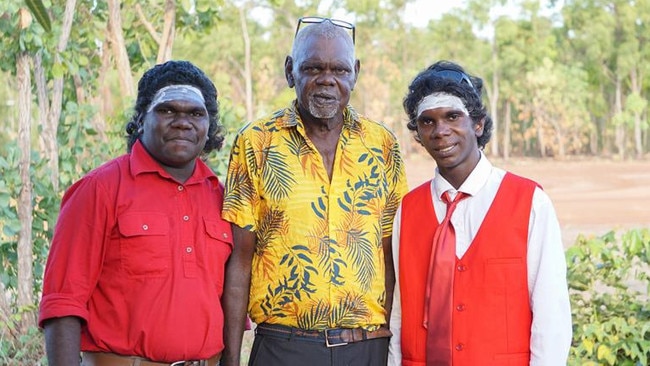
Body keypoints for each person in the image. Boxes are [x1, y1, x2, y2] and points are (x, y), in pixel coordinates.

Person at [220, 16, 409, 366]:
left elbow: (391, 255)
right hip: (284, 346)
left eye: (339, 70)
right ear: (290, 71)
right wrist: (230, 359)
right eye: (313, 68)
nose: (327, 81)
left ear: (355, 72)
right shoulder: (257, 142)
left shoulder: (381, 144)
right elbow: (240, 261)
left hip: (368, 347)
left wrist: (393, 347)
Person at [38, 60, 231, 366]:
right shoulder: (99, 189)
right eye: (168, 111)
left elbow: (228, 305)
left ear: (209, 128)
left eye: (196, 113)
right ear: (141, 120)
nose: (183, 122)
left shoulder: (222, 198)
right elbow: (63, 303)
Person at [387, 60, 572, 366]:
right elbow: (399, 314)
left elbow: (551, 315)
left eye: (452, 116)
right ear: (418, 133)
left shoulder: (530, 202)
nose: (441, 131)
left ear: (478, 124)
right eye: (427, 121)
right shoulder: (407, 210)